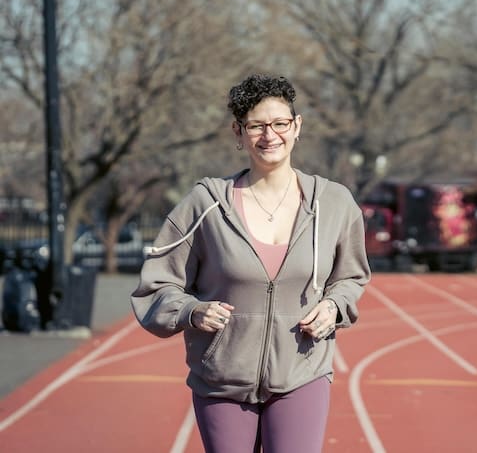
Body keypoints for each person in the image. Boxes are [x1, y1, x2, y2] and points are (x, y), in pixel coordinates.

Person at [131, 74, 370, 453]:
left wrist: (334, 306)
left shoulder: (335, 203)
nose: (269, 135)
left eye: (280, 123)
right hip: (222, 378)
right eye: (256, 126)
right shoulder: (204, 203)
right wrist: (192, 311)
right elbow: (156, 286)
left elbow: (351, 276)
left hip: (301, 371)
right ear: (238, 133)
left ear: (297, 127)